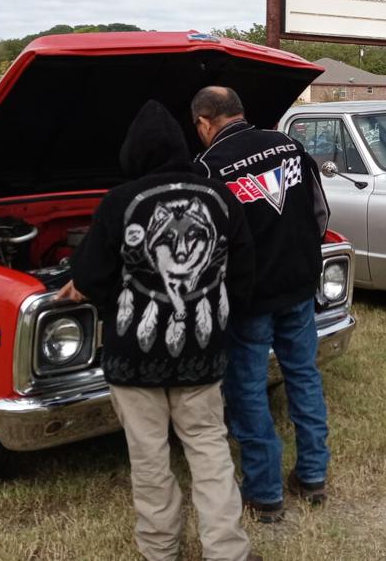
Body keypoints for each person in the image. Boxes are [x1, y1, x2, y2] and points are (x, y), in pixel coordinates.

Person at [58, 101, 260, 561]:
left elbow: (89, 277)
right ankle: (227, 551)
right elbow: (245, 273)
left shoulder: (118, 202)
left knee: (149, 461)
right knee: (210, 453)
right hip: (203, 355)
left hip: (133, 360)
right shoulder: (222, 196)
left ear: (133, 153)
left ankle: (159, 551)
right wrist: (220, 321)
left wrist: (108, 299)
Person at [192, 85, 331, 523]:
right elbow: (321, 214)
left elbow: (207, 244)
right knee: (304, 376)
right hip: (299, 287)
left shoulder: (208, 167)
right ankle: (313, 477)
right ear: (240, 111)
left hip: (249, 299)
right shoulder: (290, 147)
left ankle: (265, 495)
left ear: (203, 123)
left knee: (248, 390)